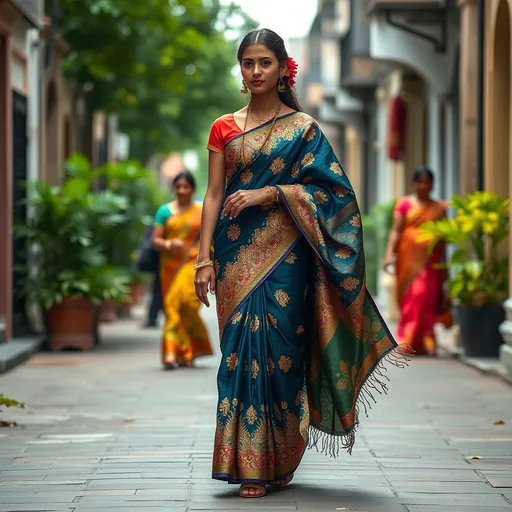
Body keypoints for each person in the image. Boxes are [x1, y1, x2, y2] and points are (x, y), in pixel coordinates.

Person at [194, 28, 406, 499]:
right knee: (236, 357)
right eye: (247, 63)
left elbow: (336, 195)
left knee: (281, 356)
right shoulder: (223, 127)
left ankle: (280, 455)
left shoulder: (305, 129)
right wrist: (201, 259)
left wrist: (273, 193)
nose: (254, 71)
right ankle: (243, 461)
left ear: (282, 67)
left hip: (288, 256)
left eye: (264, 62)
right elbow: (213, 195)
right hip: (232, 256)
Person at [383, 167, 451, 356]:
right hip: (407, 259)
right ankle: (408, 339)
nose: (423, 185)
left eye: (427, 182)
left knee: (427, 298)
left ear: (432, 184)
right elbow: (396, 230)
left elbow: (443, 239)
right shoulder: (404, 204)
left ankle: (427, 339)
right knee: (411, 299)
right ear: (414, 183)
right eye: (419, 181)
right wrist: (389, 254)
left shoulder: (439, 208)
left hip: (431, 261)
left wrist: (445, 266)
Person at [152, 171, 213, 369]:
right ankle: (171, 352)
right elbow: (155, 241)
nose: (181, 190)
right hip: (170, 266)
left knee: (187, 304)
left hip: (193, 265)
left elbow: (211, 237)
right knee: (171, 307)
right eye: (178, 187)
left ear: (192, 189)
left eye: (185, 187)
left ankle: (189, 351)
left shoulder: (201, 210)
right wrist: (169, 244)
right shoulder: (164, 211)